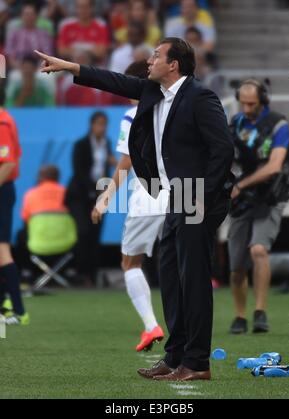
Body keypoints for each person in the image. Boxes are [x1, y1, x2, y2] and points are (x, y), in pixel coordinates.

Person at [35, 36, 234, 381]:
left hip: (196, 195)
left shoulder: (200, 97)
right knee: (170, 277)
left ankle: (198, 362)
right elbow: (113, 80)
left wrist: (203, 194)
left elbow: (223, 150)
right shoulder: (154, 92)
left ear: (174, 64)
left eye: (156, 56)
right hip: (174, 195)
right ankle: (174, 357)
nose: (148, 61)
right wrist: (70, 68)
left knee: (194, 279)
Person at [92, 61, 167, 352]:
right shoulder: (173, 108)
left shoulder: (133, 114)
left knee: (130, 262)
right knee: (180, 263)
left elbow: (127, 161)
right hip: (184, 191)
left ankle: (151, 326)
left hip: (148, 194)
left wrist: (105, 197)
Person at [228, 79, 289, 334]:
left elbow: (274, 166)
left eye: (251, 104)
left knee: (258, 249)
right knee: (235, 266)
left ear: (263, 100)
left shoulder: (278, 124)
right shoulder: (236, 123)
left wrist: (240, 185)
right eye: (242, 103)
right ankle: (240, 316)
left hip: (270, 195)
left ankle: (260, 311)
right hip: (241, 198)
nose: (246, 108)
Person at [65, 112, 117, 287]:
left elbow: (103, 170)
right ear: (92, 125)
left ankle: (93, 275)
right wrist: (91, 189)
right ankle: (81, 273)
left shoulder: (107, 144)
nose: (102, 128)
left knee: (95, 233)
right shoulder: (81, 145)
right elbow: (78, 171)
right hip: (80, 195)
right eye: (99, 124)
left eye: (105, 124)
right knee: (83, 232)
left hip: (98, 194)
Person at [0, 85, 29, 326]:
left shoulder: (2, 123)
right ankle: (5, 309)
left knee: (2, 250)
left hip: (2, 190)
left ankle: (18, 311)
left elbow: (8, 164)